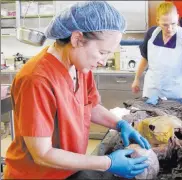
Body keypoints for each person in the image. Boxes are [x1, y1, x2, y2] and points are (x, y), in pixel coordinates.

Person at [4, 1, 151, 179]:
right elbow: (42, 154)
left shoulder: (80, 66)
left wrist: (120, 124)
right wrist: (108, 163)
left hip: (69, 170)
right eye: (103, 52)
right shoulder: (36, 79)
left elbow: (90, 106)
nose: (103, 61)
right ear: (77, 39)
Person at [131, 2, 182, 103]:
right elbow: (145, 58)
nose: (169, 29)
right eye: (165, 25)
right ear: (158, 21)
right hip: (153, 92)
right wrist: (136, 78)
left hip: (178, 94)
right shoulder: (151, 34)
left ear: (177, 18)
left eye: (173, 23)